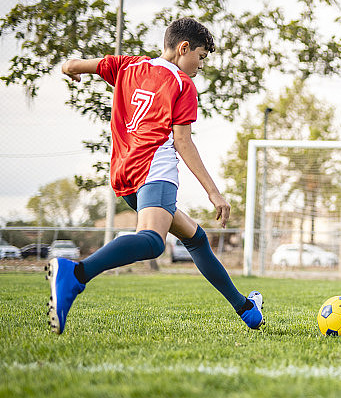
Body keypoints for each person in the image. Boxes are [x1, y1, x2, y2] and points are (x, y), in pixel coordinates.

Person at [47, 17, 263, 334]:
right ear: (183, 48)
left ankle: (246, 309)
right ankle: (76, 273)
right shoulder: (182, 85)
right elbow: (182, 141)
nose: (201, 65)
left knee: (195, 238)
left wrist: (70, 70)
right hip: (155, 169)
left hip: (124, 173)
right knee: (152, 242)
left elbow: (74, 65)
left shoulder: (128, 66)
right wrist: (214, 193)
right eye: (201, 56)